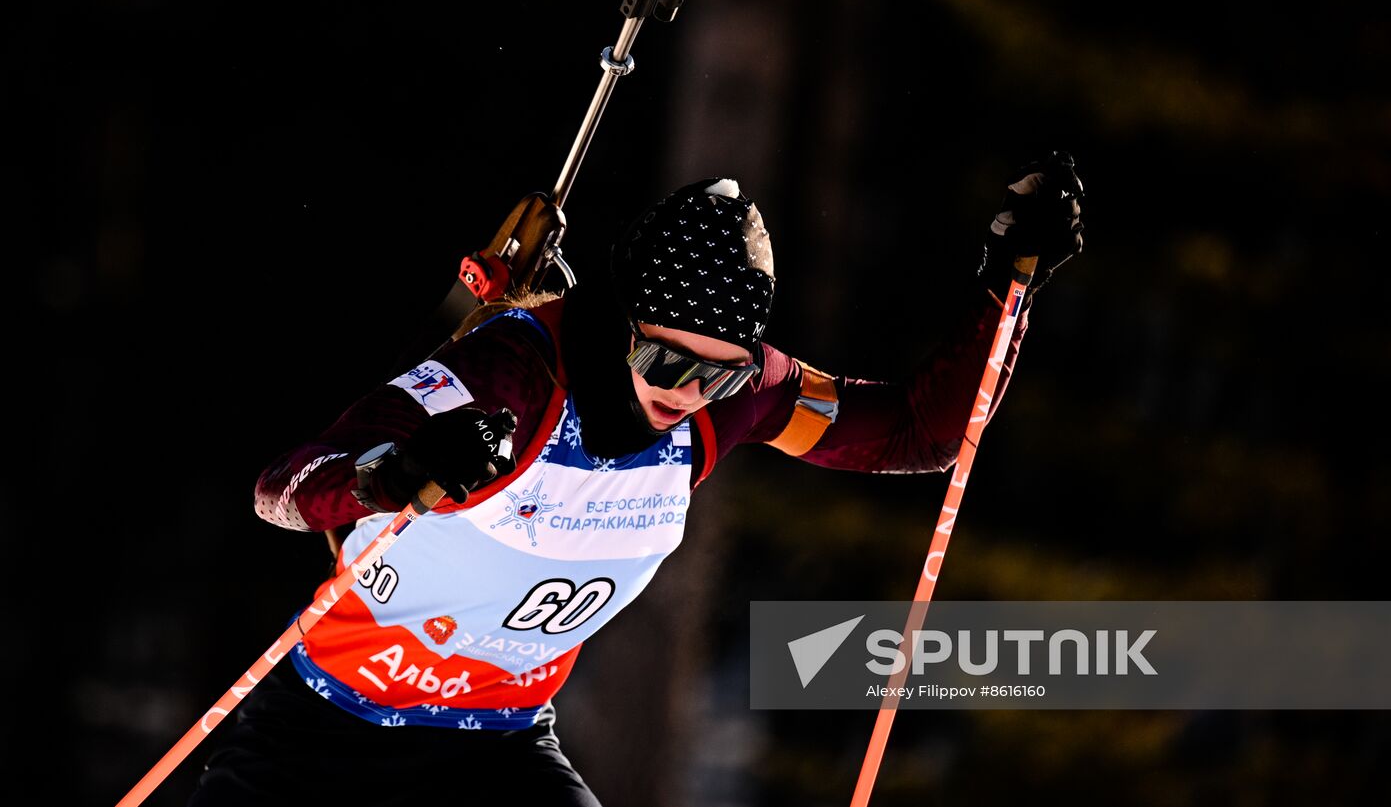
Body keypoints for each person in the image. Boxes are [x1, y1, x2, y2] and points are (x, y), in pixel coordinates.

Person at [187, 156, 1086, 806]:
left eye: (720, 371)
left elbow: (928, 433)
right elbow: (286, 485)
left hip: (495, 755)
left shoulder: (734, 403)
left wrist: (1004, 292)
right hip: (320, 740)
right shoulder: (511, 375)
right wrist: (394, 474)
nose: (685, 392)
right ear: (621, 321)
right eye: (663, 358)